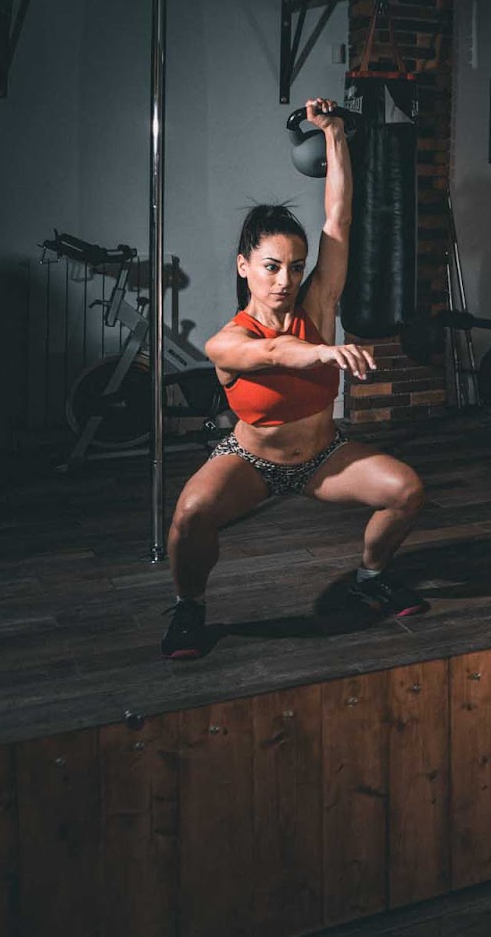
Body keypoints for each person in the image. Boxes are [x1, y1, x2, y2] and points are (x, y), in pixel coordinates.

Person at [161, 97, 428, 660]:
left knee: (405, 490)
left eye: (296, 266)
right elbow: (274, 353)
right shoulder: (226, 342)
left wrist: (334, 133)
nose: (285, 279)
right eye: (271, 266)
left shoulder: (319, 305)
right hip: (250, 462)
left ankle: (371, 579)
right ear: (244, 267)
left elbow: (339, 220)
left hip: (323, 457)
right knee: (189, 516)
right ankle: (189, 607)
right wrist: (325, 352)